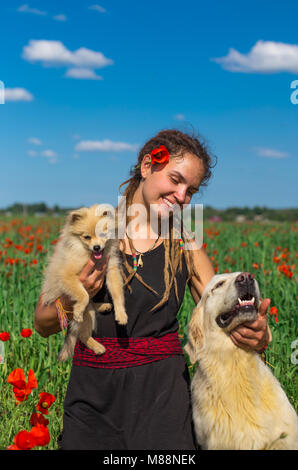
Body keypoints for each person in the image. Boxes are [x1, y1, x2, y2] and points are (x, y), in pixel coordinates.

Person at [34, 129, 271, 450]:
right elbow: (43, 324)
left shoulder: (186, 246)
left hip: (164, 403)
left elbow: (221, 314)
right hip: (93, 402)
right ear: (147, 166)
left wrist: (259, 333)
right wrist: (71, 298)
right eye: (175, 180)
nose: (181, 196)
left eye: (191, 190)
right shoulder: (90, 235)